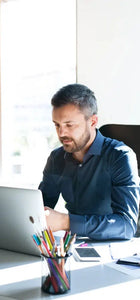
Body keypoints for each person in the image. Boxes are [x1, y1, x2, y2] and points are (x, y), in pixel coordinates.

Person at [38, 83, 140, 240]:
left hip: (113, 248)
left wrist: (67, 222)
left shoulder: (120, 157)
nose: (61, 133)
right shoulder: (56, 158)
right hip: (73, 245)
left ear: (92, 122)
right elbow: (39, 208)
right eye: (57, 125)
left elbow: (126, 226)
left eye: (69, 125)